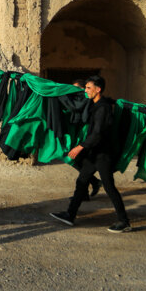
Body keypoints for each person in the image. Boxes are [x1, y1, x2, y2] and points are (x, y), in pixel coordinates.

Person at [50, 76, 131, 233]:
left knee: (109, 187)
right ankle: (70, 214)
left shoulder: (103, 108)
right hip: (93, 154)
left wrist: (80, 147)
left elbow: (97, 134)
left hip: (103, 154)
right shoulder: (96, 105)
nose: (85, 91)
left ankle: (124, 221)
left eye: (88, 88)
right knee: (82, 181)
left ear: (98, 89)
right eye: (85, 88)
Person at [68, 79, 101, 198]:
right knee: (77, 160)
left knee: (78, 160)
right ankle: (88, 188)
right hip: (81, 133)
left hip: (88, 135)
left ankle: (87, 189)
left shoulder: (92, 101)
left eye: (78, 89)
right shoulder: (79, 101)